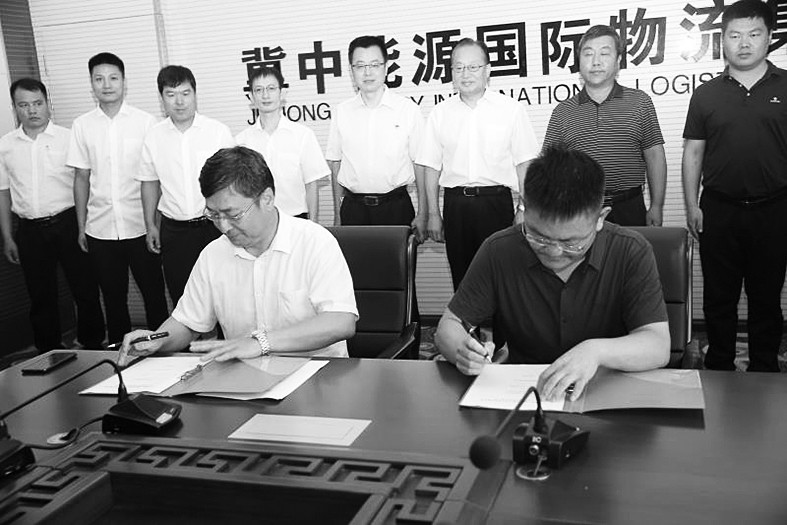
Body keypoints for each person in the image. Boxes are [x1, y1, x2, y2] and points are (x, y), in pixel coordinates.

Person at [435, 146, 670, 400]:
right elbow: (449, 327)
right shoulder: (499, 250)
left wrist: (596, 352)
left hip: (606, 392)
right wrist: (464, 352)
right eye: (539, 238)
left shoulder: (630, 251)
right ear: (524, 208)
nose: (555, 253)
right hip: (526, 396)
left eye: (572, 243)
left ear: (600, 218)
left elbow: (657, 345)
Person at [118, 146, 357, 366]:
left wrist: (260, 343)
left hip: (317, 375)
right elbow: (187, 323)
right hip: (245, 380)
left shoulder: (315, 242)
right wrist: (159, 339)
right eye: (213, 215)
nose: (223, 226)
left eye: (233, 215)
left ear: (267, 199)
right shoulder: (213, 254)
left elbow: (340, 321)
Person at [682, 0, 787, 372]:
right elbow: (694, 152)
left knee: (767, 297)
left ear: (769, 38)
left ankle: (764, 368)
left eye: (754, 34)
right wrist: (692, 205)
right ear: (722, 40)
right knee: (718, 296)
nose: (744, 43)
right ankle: (719, 366)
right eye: (735, 35)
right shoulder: (706, 94)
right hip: (719, 208)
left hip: (775, 208)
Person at [417, 38, 539, 290]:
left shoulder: (510, 110)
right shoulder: (440, 113)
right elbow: (431, 167)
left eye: (473, 67)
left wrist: (523, 209)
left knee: (503, 280)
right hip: (456, 207)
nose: (466, 74)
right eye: (459, 67)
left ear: (487, 70)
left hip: (496, 205)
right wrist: (433, 214)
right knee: (463, 281)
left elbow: (525, 165)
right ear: (452, 72)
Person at [68, 52, 168, 345]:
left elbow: (155, 178)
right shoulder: (82, 125)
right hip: (100, 228)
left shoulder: (146, 122)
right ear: (91, 84)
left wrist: (154, 223)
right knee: (113, 298)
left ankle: (162, 350)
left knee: (154, 294)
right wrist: (81, 226)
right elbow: (81, 178)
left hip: (140, 226)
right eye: (99, 79)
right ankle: (119, 354)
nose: (107, 85)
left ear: (124, 81)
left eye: (113, 78)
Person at [0, 78, 105, 352]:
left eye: (37, 103)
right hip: (29, 229)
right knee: (40, 295)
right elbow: (3, 193)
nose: (32, 110)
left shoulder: (68, 138)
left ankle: (92, 344)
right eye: (24, 105)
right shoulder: (5, 145)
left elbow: (85, 182)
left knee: (85, 289)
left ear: (48, 104)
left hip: (68, 222)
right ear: (14, 108)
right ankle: (48, 350)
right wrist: (8, 236)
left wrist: (84, 227)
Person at [542, 25, 667, 227]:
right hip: (580, 210)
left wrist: (657, 206)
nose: (596, 62)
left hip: (630, 206)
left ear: (618, 61)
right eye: (588, 54)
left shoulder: (640, 102)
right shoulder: (562, 112)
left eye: (605, 53)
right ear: (579, 61)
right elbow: (548, 166)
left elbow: (655, 155)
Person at [138, 65, 234, 306]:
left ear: (195, 94)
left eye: (185, 93)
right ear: (161, 98)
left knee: (225, 296)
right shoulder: (154, 136)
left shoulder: (217, 132)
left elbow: (232, 181)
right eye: (171, 94)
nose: (179, 101)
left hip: (215, 227)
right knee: (183, 298)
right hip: (175, 231)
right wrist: (150, 225)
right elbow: (149, 182)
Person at [327, 35, 427, 241]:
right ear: (351, 70)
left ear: (386, 67)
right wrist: (338, 215)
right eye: (360, 66)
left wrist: (424, 212)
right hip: (353, 211)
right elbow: (335, 164)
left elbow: (421, 165)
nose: (367, 72)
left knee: (398, 263)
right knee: (355, 263)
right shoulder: (342, 112)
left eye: (374, 65)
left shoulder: (407, 110)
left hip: (396, 208)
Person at [236, 67, 328, 222]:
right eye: (259, 90)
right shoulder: (242, 141)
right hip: (257, 221)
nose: (265, 95)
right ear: (251, 96)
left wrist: (312, 225)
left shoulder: (302, 135)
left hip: (296, 219)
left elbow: (311, 185)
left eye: (271, 88)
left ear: (282, 93)